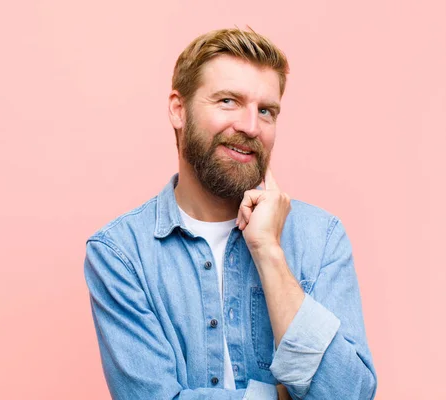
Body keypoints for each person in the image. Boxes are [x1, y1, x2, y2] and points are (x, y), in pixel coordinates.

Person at [84, 27, 377, 400]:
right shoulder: (121, 253)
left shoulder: (321, 237)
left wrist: (269, 253)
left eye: (266, 111)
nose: (250, 126)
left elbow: (348, 394)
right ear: (178, 109)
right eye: (228, 101)